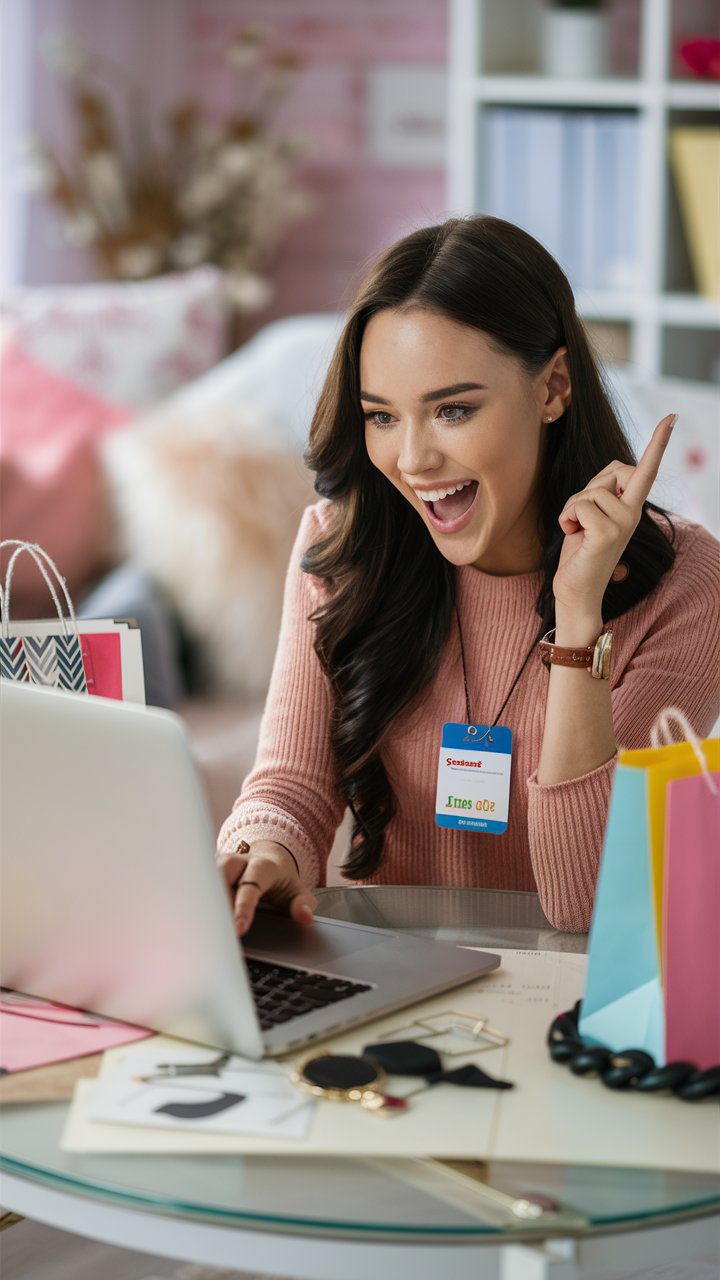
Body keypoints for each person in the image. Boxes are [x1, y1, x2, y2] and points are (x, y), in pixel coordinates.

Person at [216, 215, 720, 934]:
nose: (414, 459)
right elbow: (290, 788)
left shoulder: (688, 584)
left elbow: (590, 907)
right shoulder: (345, 546)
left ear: (552, 389)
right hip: (388, 986)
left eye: (452, 410)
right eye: (382, 416)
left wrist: (579, 619)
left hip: (571, 1001)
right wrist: (261, 854)